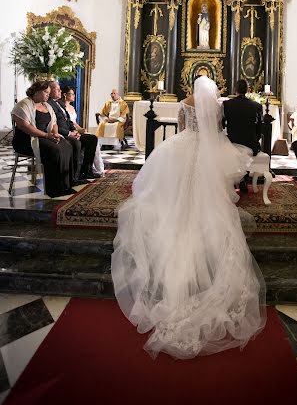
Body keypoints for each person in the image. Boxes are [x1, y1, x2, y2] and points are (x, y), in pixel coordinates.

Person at [111, 76, 266, 359]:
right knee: (206, 190)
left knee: (174, 185)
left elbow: (183, 127)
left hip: (183, 147)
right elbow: (217, 129)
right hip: (207, 150)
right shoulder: (216, 107)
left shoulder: (184, 103)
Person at [11, 81, 74, 198]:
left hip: (44, 136)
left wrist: (55, 133)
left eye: (49, 93)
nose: (47, 95)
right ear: (36, 91)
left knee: (66, 145)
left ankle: (65, 185)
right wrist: (46, 136)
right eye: (45, 92)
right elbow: (26, 127)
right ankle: (54, 189)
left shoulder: (47, 105)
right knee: (54, 150)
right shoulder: (23, 105)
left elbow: (54, 122)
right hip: (26, 140)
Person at [48, 81, 98, 181]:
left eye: (59, 89)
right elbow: (53, 124)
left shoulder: (59, 104)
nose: (60, 91)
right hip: (62, 134)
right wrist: (69, 134)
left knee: (92, 139)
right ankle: (74, 176)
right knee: (76, 143)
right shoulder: (49, 104)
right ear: (49, 91)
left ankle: (86, 171)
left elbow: (69, 120)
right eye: (57, 89)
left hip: (70, 132)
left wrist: (75, 131)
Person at [223, 79, 263, 192]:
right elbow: (259, 129)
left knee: (226, 150)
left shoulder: (227, 105)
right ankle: (243, 180)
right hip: (250, 142)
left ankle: (235, 181)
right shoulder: (256, 106)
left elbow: (222, 124)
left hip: (232, 142)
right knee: (246, 151)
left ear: (235, 89)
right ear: (247, 90)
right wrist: (255, 140)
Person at [60, 86, 104, 177]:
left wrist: (81, 129)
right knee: (91, 139)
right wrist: (77, 131)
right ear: (65, 95)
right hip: (69, 132)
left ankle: (89, 168)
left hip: (75, 130)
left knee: (93, 138)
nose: (74, 96)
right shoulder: (60, 107)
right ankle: (84, 170)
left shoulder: (71, 107)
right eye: (72, 94)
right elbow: (68, 123)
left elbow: (74, 122)